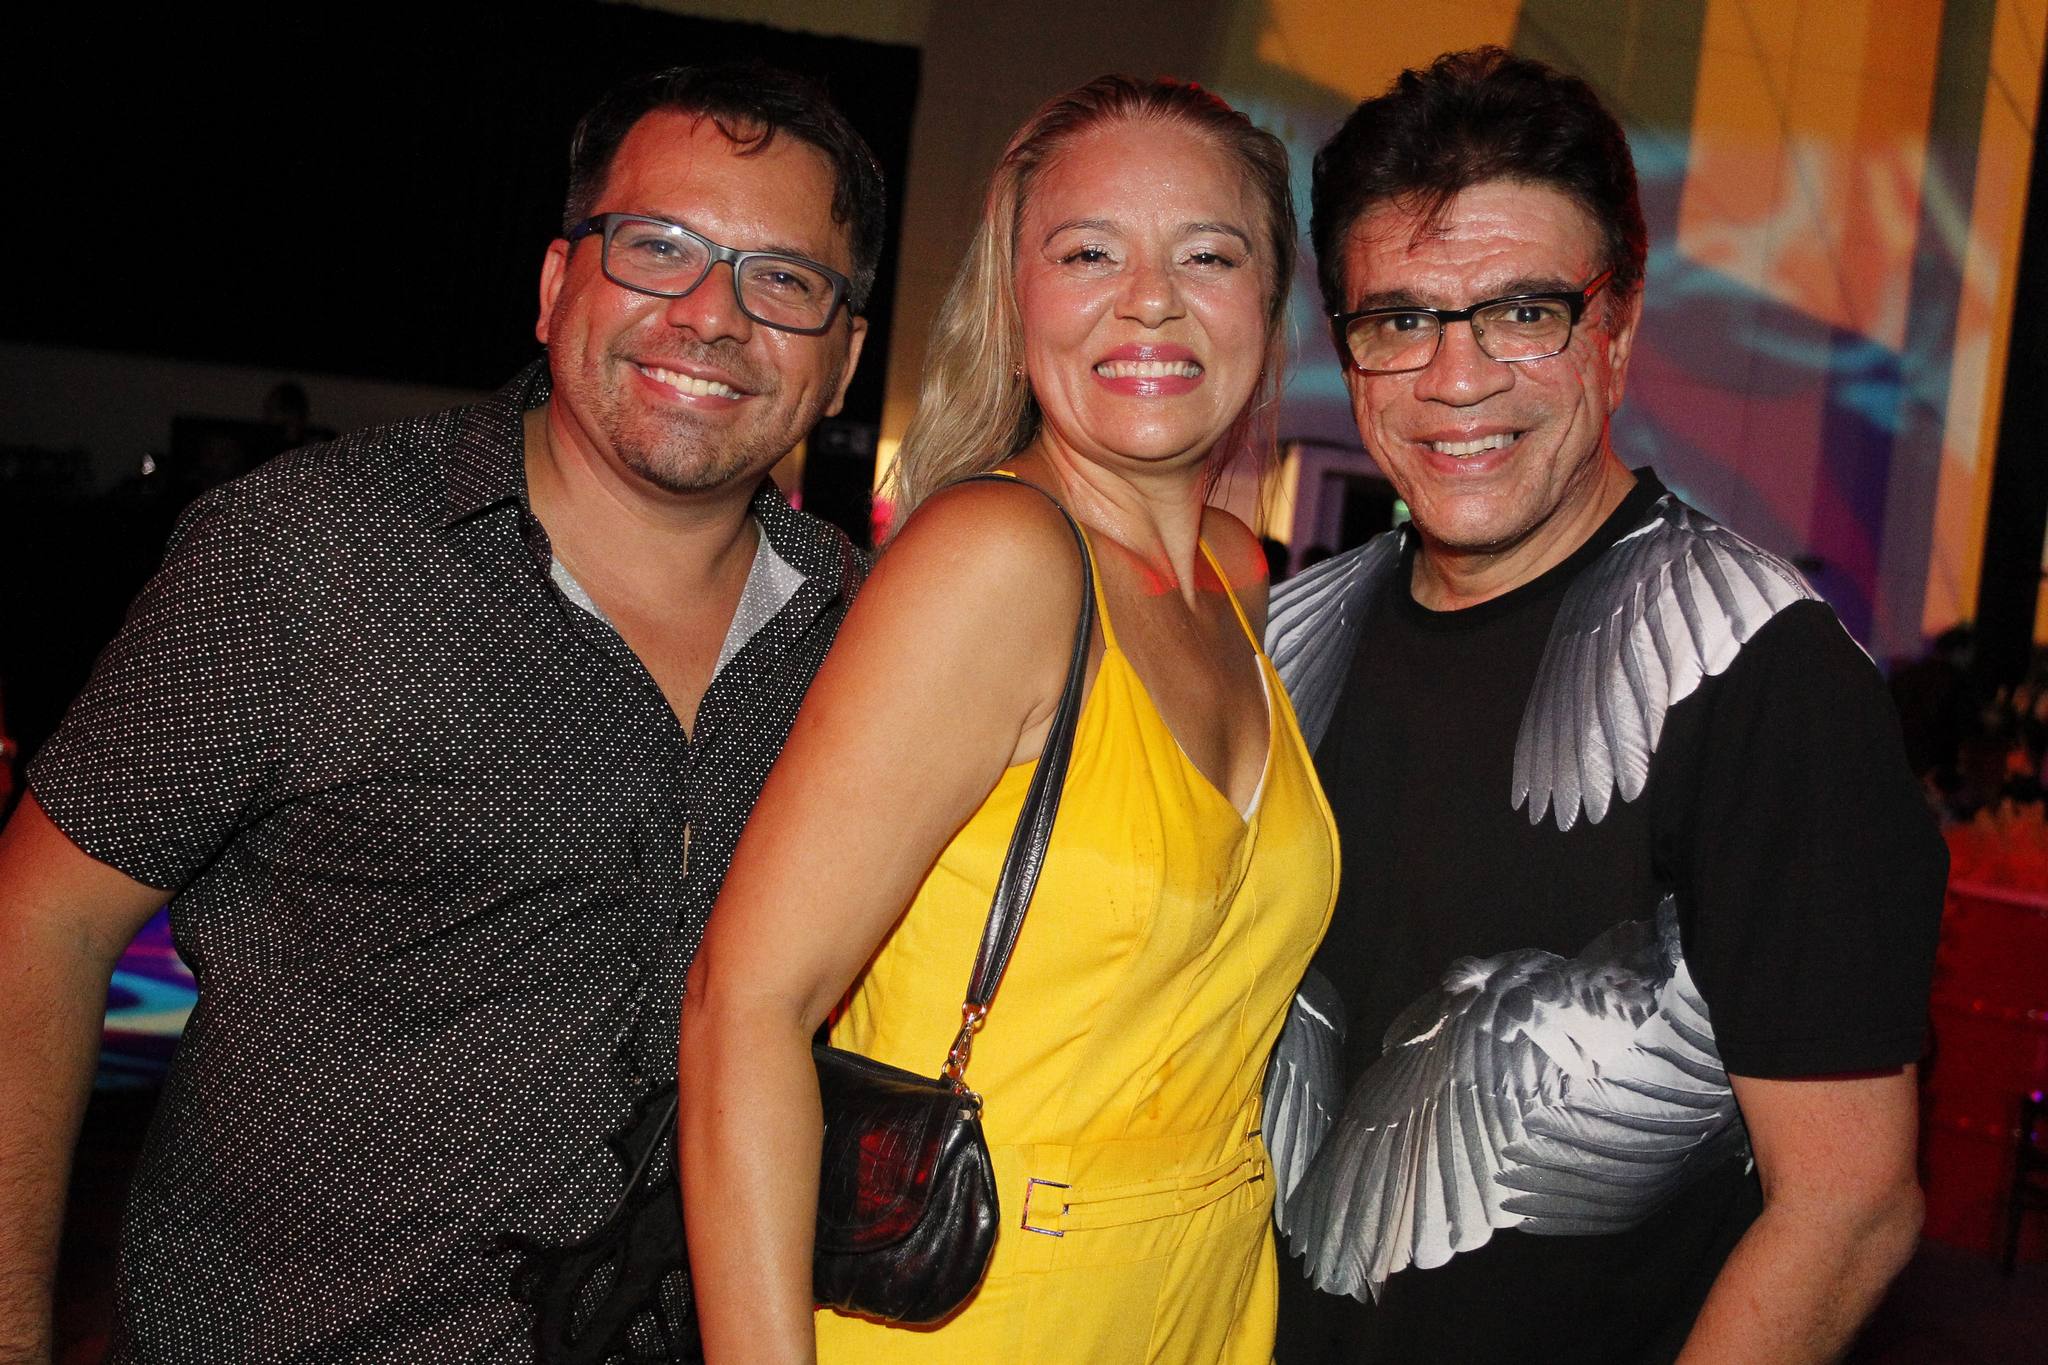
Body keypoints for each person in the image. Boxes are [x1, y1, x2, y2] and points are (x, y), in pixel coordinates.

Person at [0, 63, 881, 1363]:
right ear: (556, 285)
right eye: (658, 247)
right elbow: (43, 924)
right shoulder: (309, 553)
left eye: (785, 279)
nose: (712, 314)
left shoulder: (870, 640)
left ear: (843, 357)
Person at [1266, 48, 1946, 1364]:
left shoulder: (1763, 674)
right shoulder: (1291, 637)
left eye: (1524, 312)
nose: (1458, 377)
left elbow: (1850, 1206)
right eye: (1399, 320)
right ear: (1345, 351)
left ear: (1619, 331)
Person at [678, 76, 1333, 1364]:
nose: (1151, 299)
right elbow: (744, 1009)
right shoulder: (994, 558)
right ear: (1015, 301)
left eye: (1209, 255)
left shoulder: (1238, 576)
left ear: (1269, 308)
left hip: (1203, 1306)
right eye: (1088, 253)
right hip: (985, 1311)